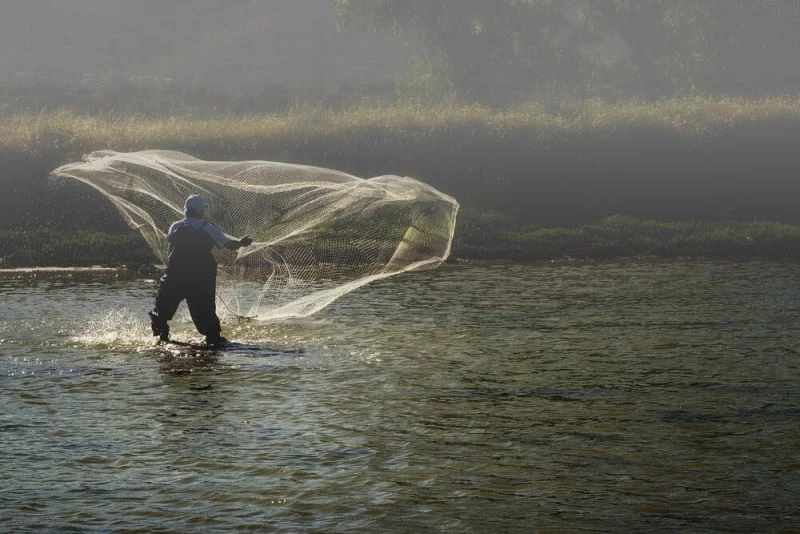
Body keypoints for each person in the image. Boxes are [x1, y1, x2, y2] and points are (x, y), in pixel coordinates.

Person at [148, 195, 252, 346]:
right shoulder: (209, 228)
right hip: (200, 278)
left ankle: (161, 341)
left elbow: (171, 246)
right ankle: (212, 341)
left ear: (186, 210)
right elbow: (229, 245)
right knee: (205, 312)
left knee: (161, 311)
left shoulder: (175, 226)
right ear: (201, 212)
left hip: (175, 276)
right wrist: (242, 242)